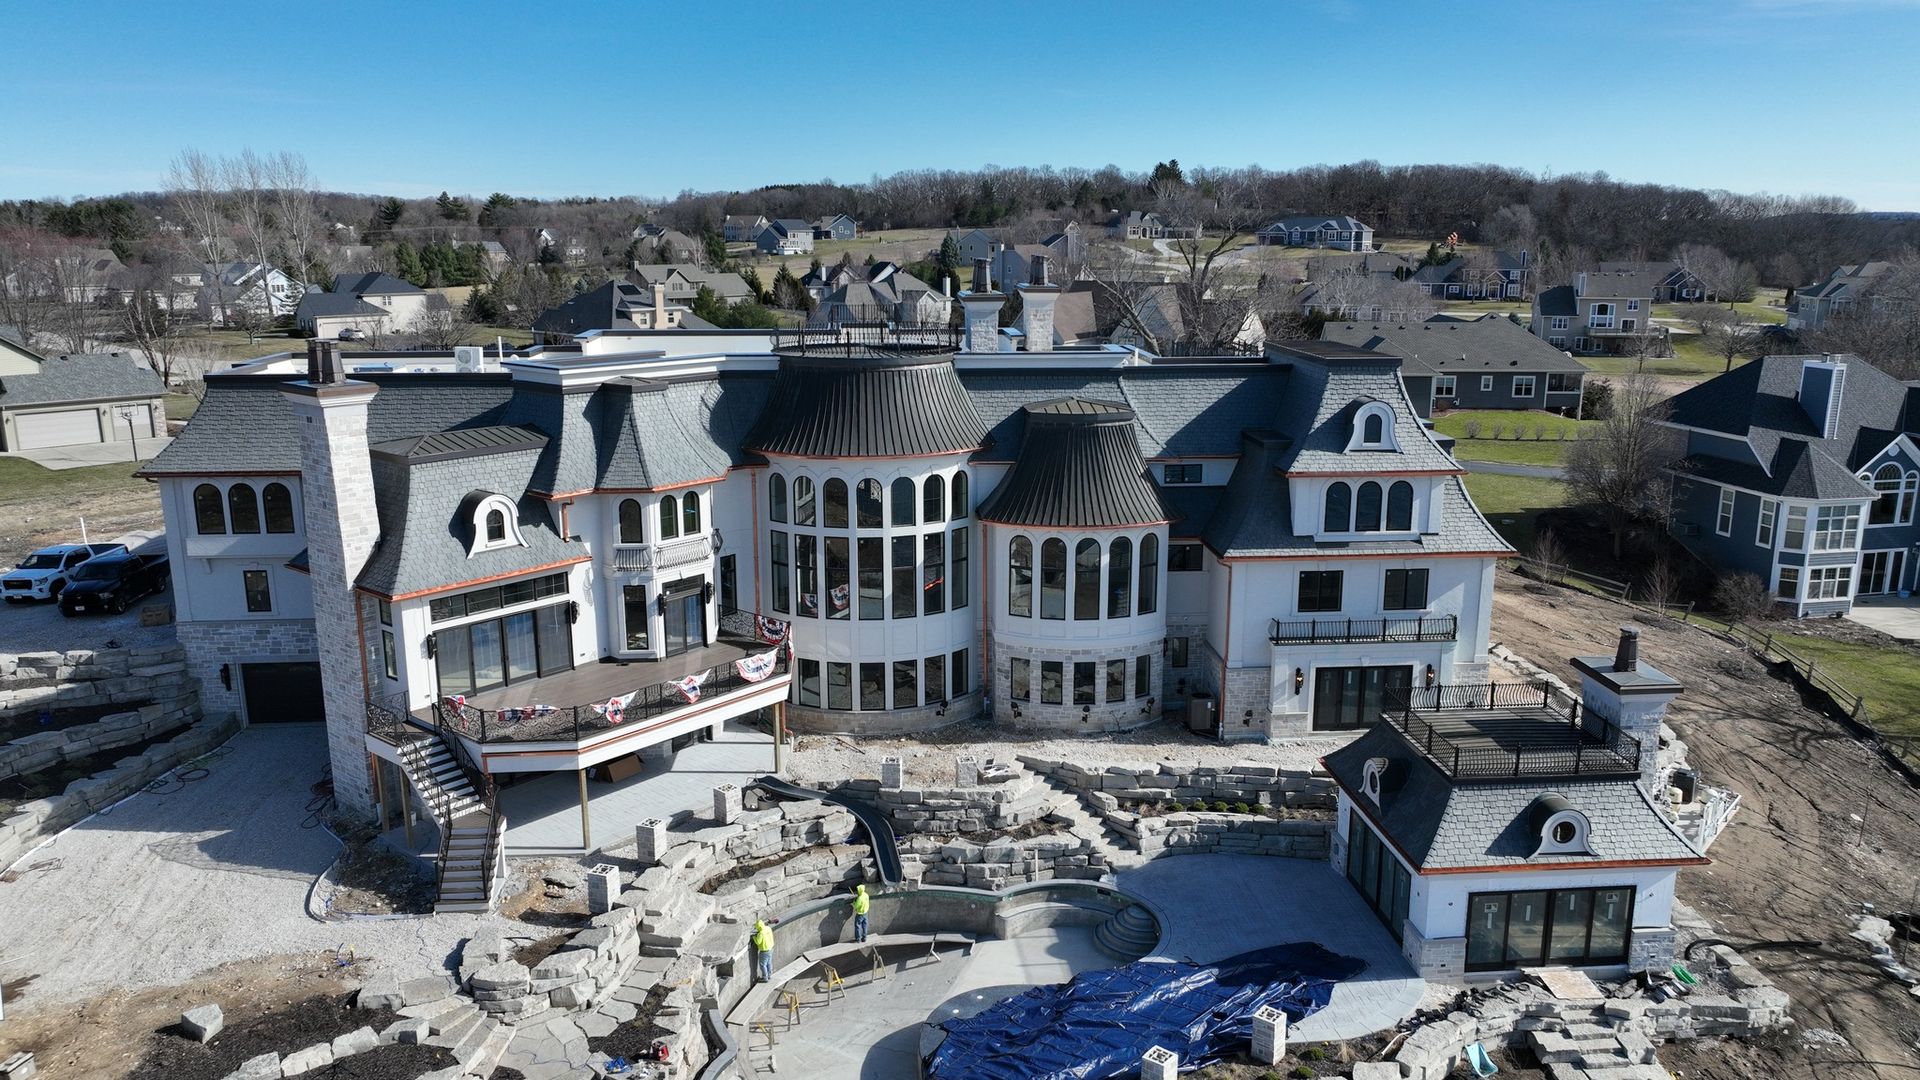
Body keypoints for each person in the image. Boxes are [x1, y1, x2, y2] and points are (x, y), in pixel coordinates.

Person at [752, 916, 776, 982]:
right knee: (769, 963)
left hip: (764, 951)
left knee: (763, 965)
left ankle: (765, 978)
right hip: (771, 949)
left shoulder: (761, 933)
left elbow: (758, 942)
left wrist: (754, 937)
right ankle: (769, 975)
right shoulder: (768, 928)